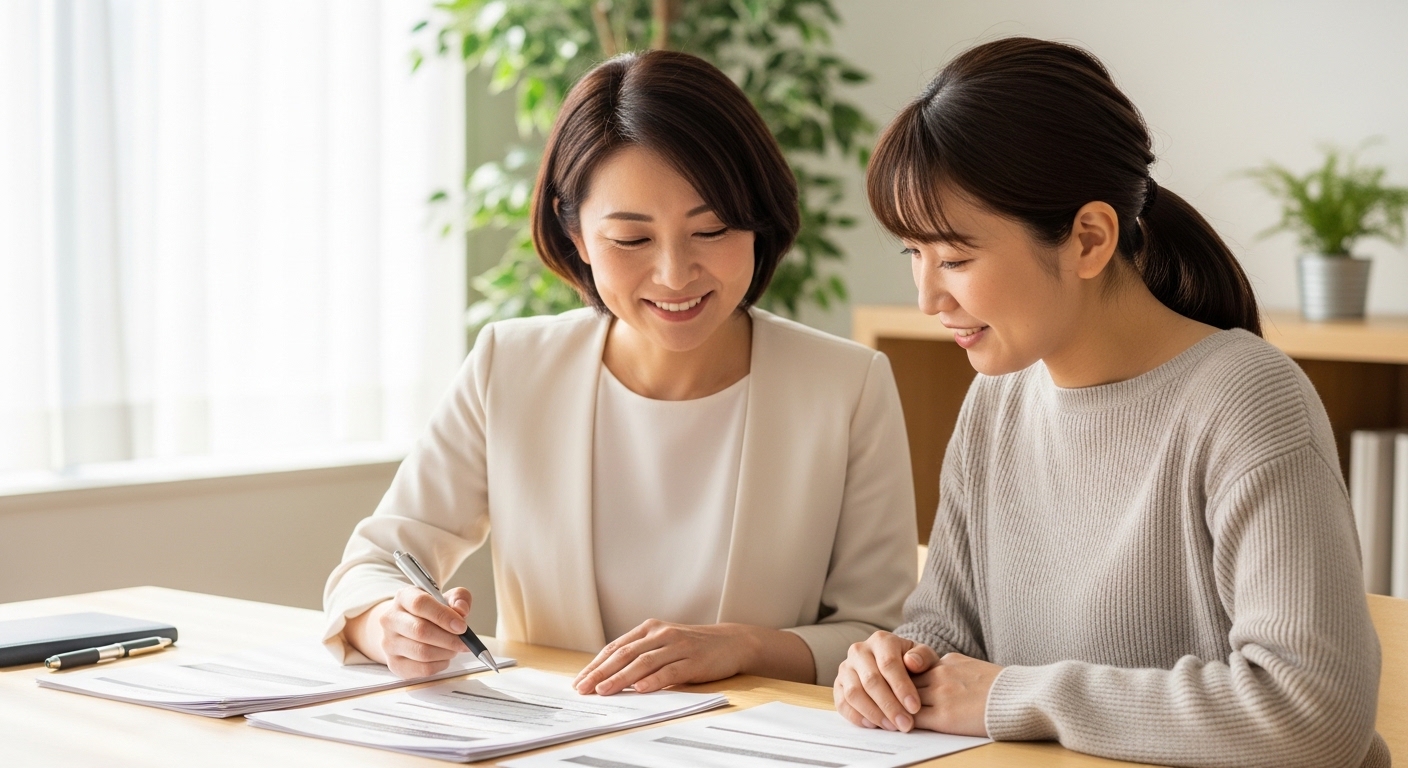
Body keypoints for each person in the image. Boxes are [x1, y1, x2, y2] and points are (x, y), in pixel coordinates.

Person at [834, 37, 1387, 768]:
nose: (928, 297)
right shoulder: (995, 401)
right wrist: (890, 673)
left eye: (957, 259)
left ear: (1089, 239)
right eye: (914, 255)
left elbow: (1313, 712)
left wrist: (1016, 697)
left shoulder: (1246, 399)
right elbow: (949, 642)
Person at [322, 50, 918, 694]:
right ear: (574, 234)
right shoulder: (511, 366)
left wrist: (742, 647)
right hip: (559, 744)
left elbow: (882, 635)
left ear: (759, 221)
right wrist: (390, 623)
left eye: (712, 229)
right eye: (631, 240)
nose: (674, 274)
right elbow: (376, 564)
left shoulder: (846, 385)